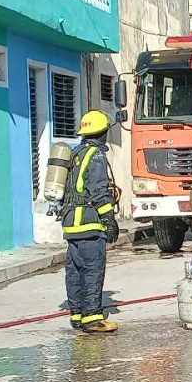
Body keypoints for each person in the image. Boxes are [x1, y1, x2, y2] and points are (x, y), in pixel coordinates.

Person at [61, 110, 119, 333]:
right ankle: (93, 318)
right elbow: (98, 192)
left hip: (71, 224)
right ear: (103, 132)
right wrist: (109, 219)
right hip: (89, 223)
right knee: (92, 270)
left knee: (75, 272)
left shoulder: (76, 153)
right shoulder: (95, 155)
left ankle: (77, 315)